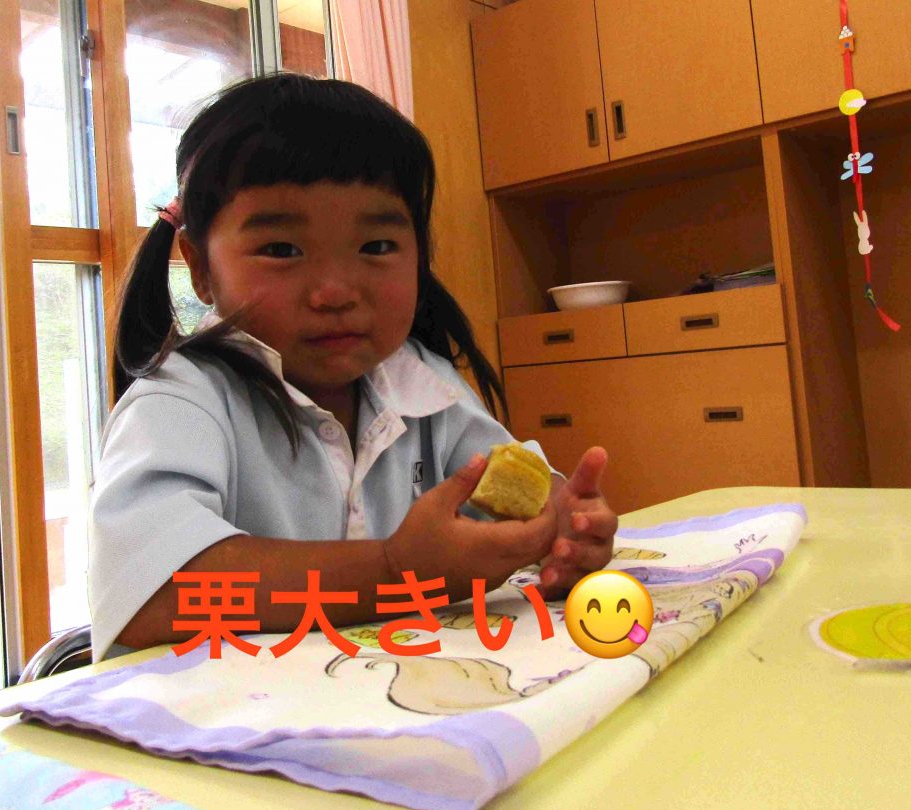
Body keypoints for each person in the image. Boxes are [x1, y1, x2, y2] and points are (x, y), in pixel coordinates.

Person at [89, 72, 617, 662]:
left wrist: (564, 526)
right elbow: (153, 595)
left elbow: (516, 488)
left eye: (376, 247)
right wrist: (395, 571)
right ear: (200, 267)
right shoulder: (181, 401)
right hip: (217, 714)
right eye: (282, 250)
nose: (336, 291)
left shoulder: (421, 381)